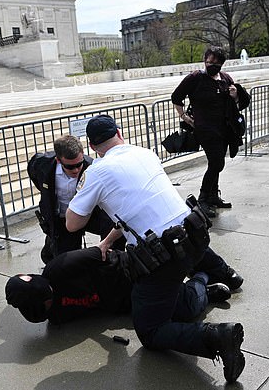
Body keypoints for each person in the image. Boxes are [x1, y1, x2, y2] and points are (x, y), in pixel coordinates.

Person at [65, 114, 246, 383]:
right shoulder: (144, 153)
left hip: (163, 259)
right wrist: (110, 239)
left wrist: (83, 190)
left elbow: (72, 224)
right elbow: (135, 209)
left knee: (150, 331)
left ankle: (217, 336)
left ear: (92, 147)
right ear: (119, 132)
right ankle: (216, 279)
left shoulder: (97, 172)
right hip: (195, 237)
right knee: (170, 297)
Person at [6, 245, 242, 325]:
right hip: (126, 303)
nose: (51, 301)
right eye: (46, 302)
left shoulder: (60, 268)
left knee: (186, 306)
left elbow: (102, 252)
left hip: (130, 273)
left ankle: (201, 277)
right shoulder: (46, 314)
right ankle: (202, 286)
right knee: (181, 311)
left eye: (49, 295)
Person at [171, 46, 250, 218]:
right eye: (209, 61)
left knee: (218, 162)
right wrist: (184, 116)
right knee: (216, 163)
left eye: (216, 62)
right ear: (204, 60)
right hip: (205, 129)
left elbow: (238, 103)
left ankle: (213, 196)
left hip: (224, 129)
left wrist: (235, 95)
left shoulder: (226, 78)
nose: (212, 65)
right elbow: (176, 97)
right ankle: (202, 200)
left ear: (222, 63)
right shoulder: (195, 78)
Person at [28, 135, 125, 263]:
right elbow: (34, 174)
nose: (76, 169)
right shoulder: (42, 164)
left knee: (114, 229)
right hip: (61, 219)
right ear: (58, 160)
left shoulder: (92, 167)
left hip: (88, 215)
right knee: (64, 261)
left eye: (79, 164)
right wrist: (47, 193)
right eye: (70, 167)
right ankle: (50, 248)